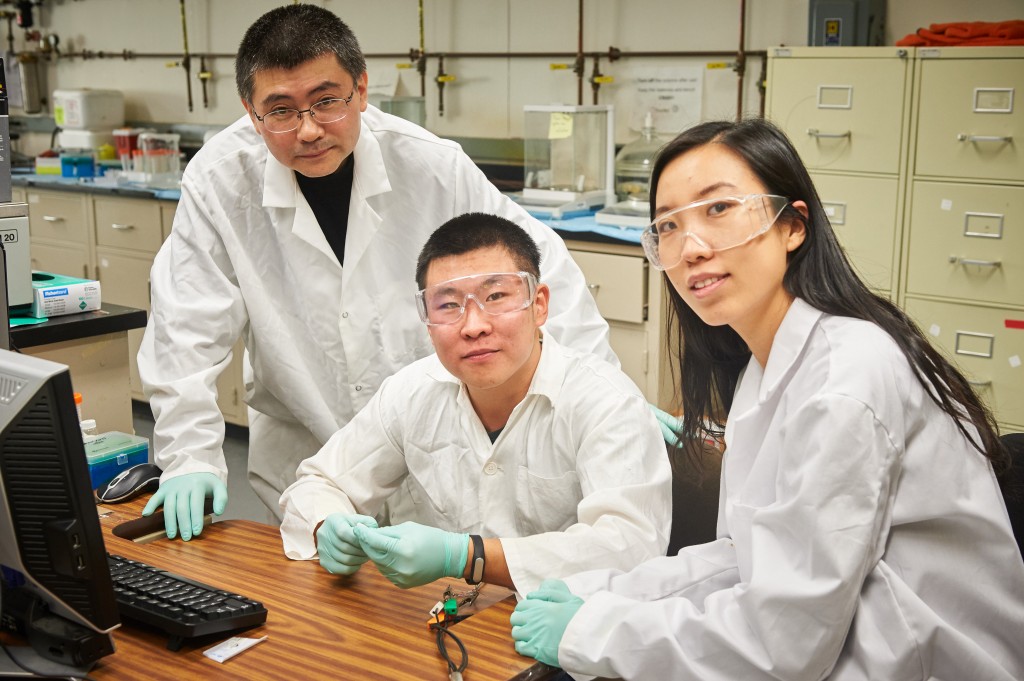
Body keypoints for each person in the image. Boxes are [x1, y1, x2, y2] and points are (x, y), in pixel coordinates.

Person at [510, 119, 1024, 679]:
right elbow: (744, 556)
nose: (691, 248)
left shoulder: (845, 377)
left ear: (793, 226)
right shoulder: (766, 366)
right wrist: (599, 592)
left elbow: (785, 641)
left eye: (719, 209)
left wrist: (596, 631)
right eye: (668, 227)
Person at [137, 4, 614, 541]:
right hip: (307, 449)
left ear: (361, 89)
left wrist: (603, 396)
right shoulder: (220, 180)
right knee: (316, 612)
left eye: (326, 101)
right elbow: (185, 325)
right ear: (251, 111)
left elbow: (539, 269)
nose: (309, 129)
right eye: (281, 111)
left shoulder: (429, 164)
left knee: (442, 598)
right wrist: (189, 456)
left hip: (431, 447)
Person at [278, 213, 671, 594]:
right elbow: (319, 482)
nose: (473, 325)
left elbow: (630, 548)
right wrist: (326, 524)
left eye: (496, 296)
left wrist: (468, 557)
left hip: (567, 638)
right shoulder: (411, 391)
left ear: (539, 304)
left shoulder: (606, 403)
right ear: (426, 321)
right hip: (445, 622)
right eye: (448, 305)